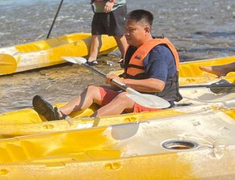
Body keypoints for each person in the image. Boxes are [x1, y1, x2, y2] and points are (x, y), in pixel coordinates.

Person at [32, 9, 182, 121]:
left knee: (122, 97)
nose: (126, 34)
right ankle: (58, 114)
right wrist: (117, 82)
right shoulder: (134, 48)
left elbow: (157, 85)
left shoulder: (158, 52)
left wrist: (123, 82)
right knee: (93, 90)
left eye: (131, 30)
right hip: (137, 97)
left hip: (158, 103)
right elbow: (133, 77)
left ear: (146, 30)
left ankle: (88, 123)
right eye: (126, 30)